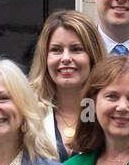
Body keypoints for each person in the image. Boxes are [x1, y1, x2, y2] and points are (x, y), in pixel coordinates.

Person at [28, 9, 104, 156]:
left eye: (76, 49)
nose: (66, 58)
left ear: (93, 56)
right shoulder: (26, 111)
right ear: (45, 58)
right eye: (56, 50)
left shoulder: (109, 110)